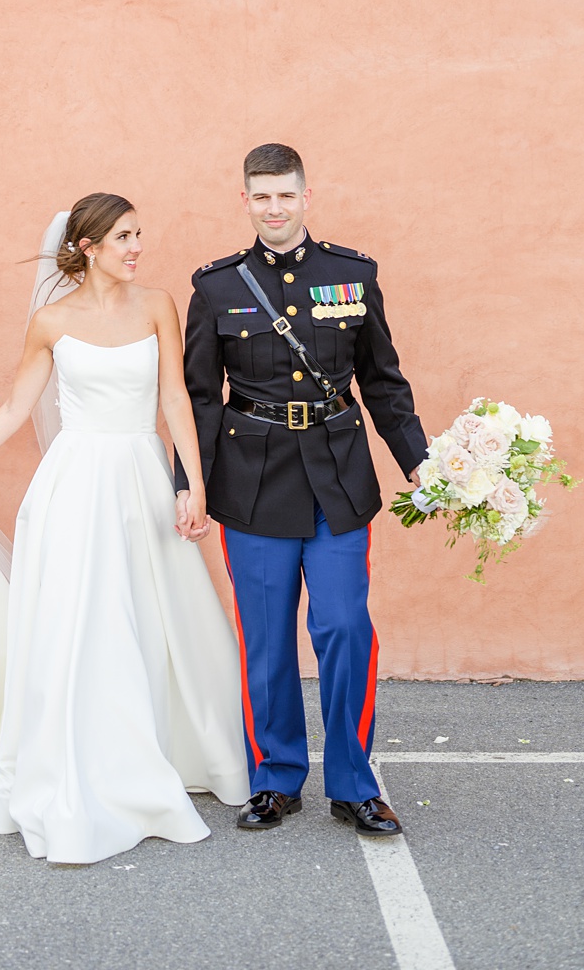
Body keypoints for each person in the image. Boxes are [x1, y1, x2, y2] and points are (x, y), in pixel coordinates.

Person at [0, 193, 249, 863]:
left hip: (141, 476)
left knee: (155, 614)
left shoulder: (158, 305)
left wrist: (192, 484)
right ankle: (89, 756)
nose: (136, 247)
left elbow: (174, 399)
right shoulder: (50, 322)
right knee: (86, 622)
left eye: (139, 233)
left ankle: (168, 748)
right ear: (87, 247)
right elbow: (16, 408)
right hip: (75, 487)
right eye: (122, 238)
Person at [185, 142, 428, 837]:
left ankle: (354, 783)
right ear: (245, 201)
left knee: (345, 625)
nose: (274, 208)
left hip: (339, 475)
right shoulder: (217, 287)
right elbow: (201, 397)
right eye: (261, 196)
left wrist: (420, 462)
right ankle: (276, 778)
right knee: (265, 640)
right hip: (253, 483)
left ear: (306, 197)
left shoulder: (352, 275)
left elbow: (383, 379)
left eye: (286, 195)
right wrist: (190, 484)